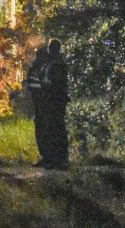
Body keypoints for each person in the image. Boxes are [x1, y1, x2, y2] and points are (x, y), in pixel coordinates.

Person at [40, 39, 69, 169]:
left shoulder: (58, 64)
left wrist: (46, 86)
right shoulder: (52, 63)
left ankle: (60, 159)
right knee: (51, 129)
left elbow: (56, 83)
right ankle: (54, 158)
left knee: (57, 129)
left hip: (55, 100)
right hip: (51, 99)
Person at [24, 47, 50, 166]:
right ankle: (45, 156)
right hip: (41, 103)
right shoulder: (42, 68)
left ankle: (47, 157)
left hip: (43, 103)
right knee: (42, 129)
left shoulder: (42, 69)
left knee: (43, 130)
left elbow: (31, 86)